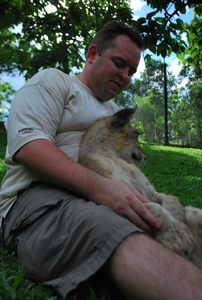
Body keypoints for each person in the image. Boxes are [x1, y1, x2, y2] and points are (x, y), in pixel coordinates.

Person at [0, 20, 202, 300]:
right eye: (119, 63)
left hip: (102, 193)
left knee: (192, 220)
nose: (126, 75)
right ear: (93, 54)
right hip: (40, 197)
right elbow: (28, 148)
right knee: (117, 230)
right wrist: (100, 189)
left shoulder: (116, 111)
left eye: (131, 71)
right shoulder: (54, 82)